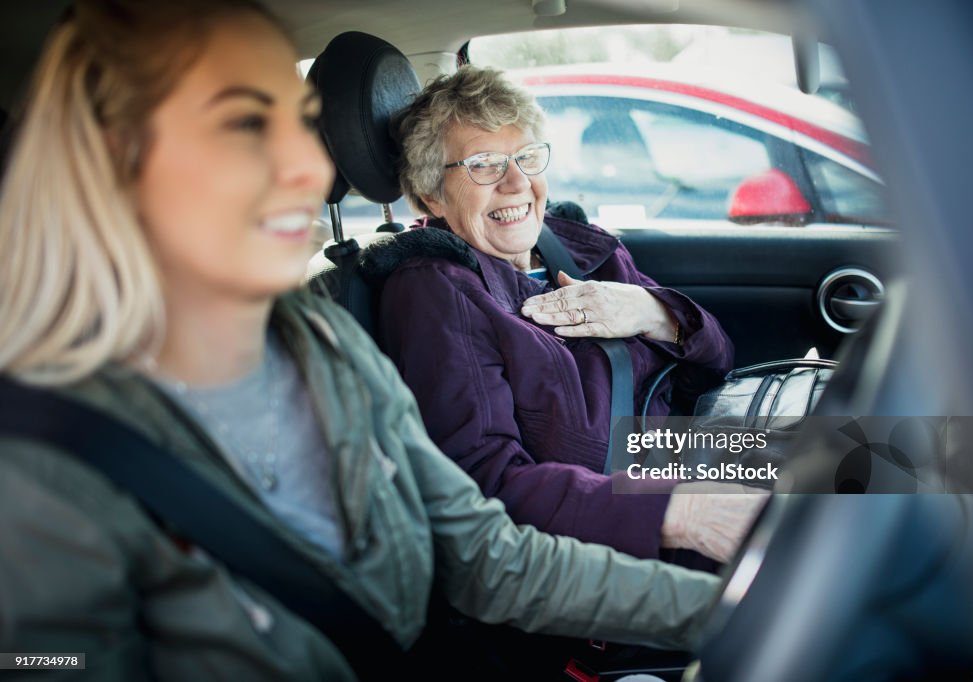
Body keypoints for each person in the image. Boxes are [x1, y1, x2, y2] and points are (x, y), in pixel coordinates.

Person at [0, 1, 736, 679]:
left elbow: (489, 557)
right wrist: (685, 511)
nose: (309, 167)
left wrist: (726, 618)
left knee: (849, 465)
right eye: (244, 125)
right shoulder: (41, 465)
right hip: (627, 497)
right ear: (117, 164)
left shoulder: (320, 344)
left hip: (668, 453)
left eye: (297, 124)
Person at [365, 66, 757, 565]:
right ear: (429, 195)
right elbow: (485, 484)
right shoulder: (435, 290)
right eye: (484, 164)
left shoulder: (573, 245)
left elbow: (718, 358)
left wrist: (654, 312)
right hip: (614, 528)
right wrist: (681, 513)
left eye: (526, 157)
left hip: (679, 449)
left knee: (877, 459)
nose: (516, 183)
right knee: (848, 523)